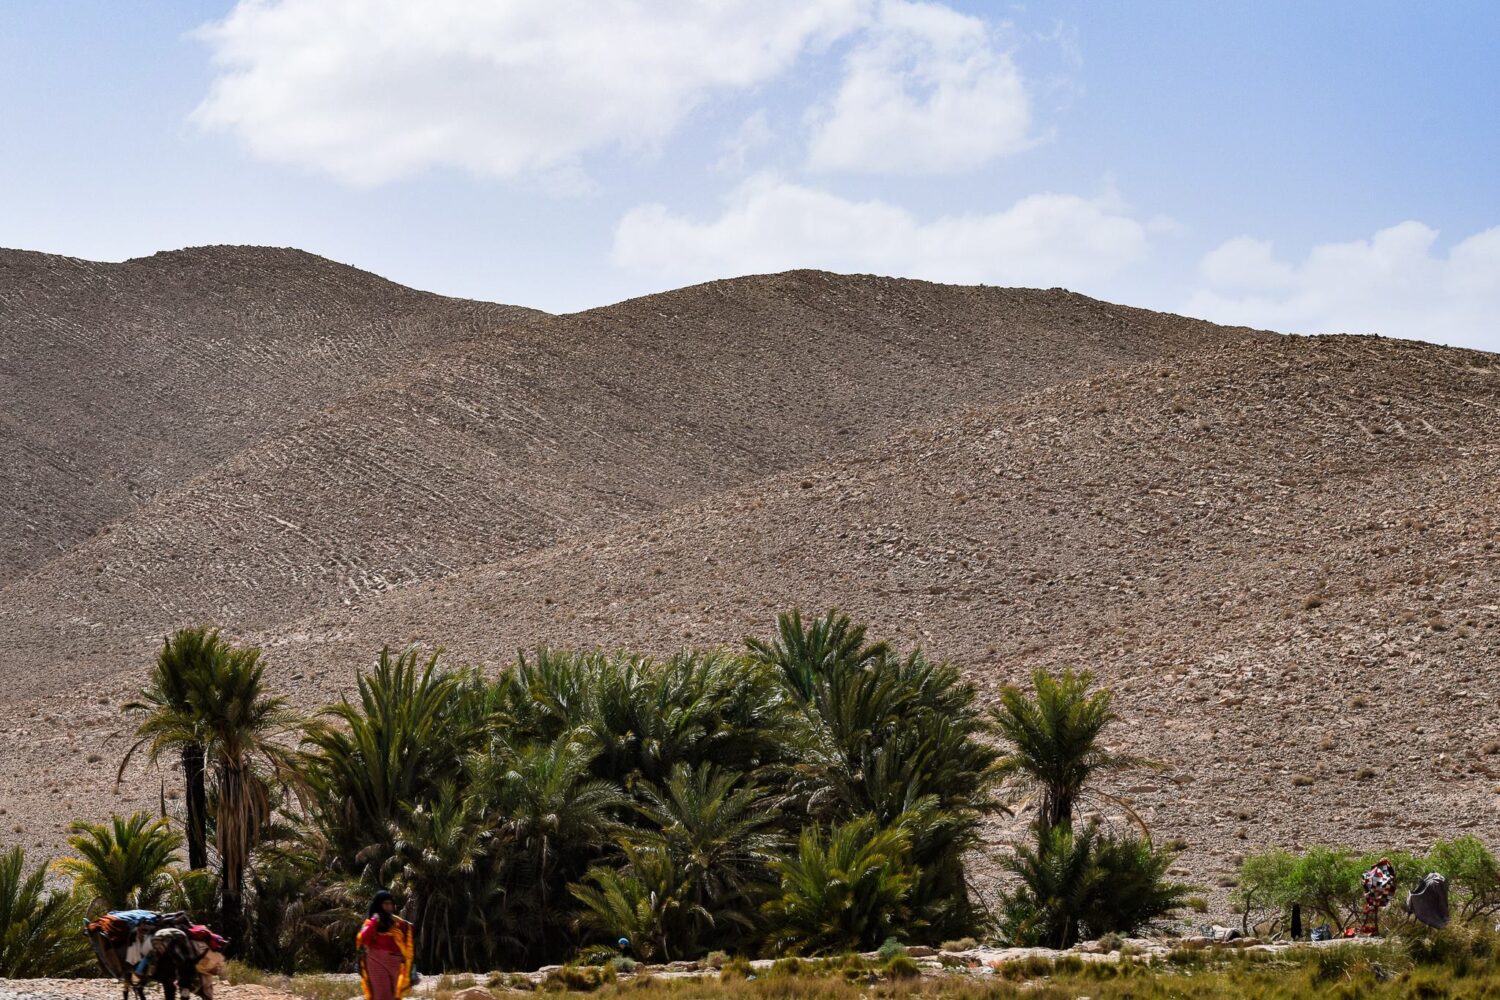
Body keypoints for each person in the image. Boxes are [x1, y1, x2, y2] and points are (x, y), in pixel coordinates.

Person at [357, 889, 415, 1000]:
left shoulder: (395, 922)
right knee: (382, 995)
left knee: (395, 996)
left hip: (395, 964)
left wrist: (404, 924)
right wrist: (375, 920)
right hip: (377, 963)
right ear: (379, 905)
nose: (389, 907)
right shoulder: (371, 922)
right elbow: (363, 938)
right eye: (385, 904)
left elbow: (411, 930)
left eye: (390, 904)